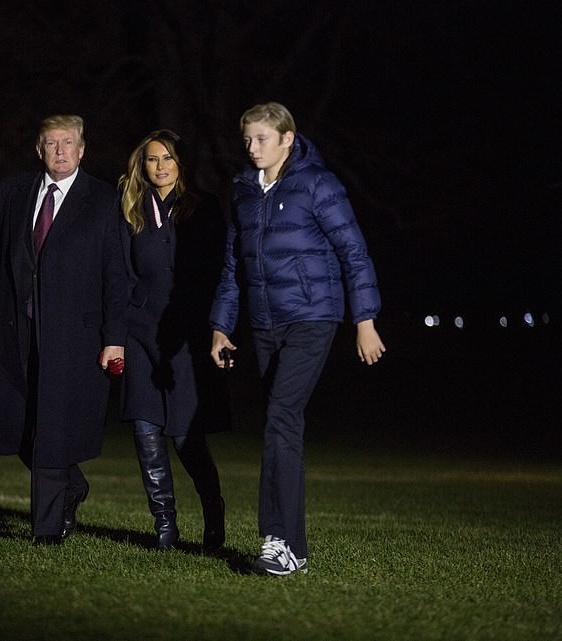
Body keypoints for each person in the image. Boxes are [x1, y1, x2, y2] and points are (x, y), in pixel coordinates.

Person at [209, 102, 386, 575]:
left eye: (262, 139)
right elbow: (234, 266)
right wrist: (221, 326)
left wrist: (365, 319)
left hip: (313, 317)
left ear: (288, 138)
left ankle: (278, 541)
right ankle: (296, 550)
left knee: (280, 419)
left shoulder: (317, 184)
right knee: (283, 428)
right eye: (247, 140)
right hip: (264, 324)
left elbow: (354, 251)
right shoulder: (244, 191)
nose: (252, 148)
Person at [0, 114, 127, 546]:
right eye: (52, 143)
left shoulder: (103, 199)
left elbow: (116, 274)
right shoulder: (14, 192)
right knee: (20, 425)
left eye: (68, 142)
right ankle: (72, 485)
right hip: (17, 329)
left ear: (82, 149)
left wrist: (114, 337)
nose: (60, 151)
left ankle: (46, 528)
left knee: (52, 427)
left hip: (74, 336)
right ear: (39, 150)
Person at [118, 130, 230, 551]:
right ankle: (165, 526)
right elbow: (121, 273)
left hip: (186, 333)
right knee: (145, 429)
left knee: (185, 435)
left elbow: (220, 271)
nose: (160, 166)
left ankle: (213, 514)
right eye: (152, 159)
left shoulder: (204, 207)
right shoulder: (130, 209)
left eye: (168, 158)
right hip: (139, 332)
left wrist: (218, 325)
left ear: (181, 163)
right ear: (142, 165)